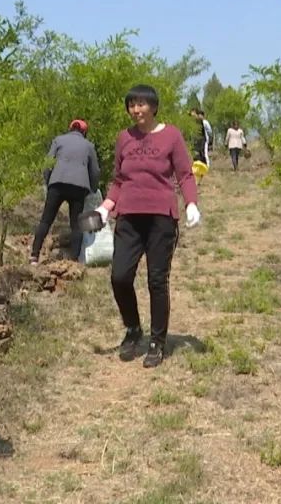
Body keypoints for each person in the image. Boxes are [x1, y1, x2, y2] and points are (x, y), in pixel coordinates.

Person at [95, 85, 200, 368]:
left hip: (161, 218)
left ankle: (157, 340)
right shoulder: (124, 138)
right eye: (132, 105)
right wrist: (106, 207)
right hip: (128, 217)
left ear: (154, 106)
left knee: (157, 280)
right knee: (120, 276)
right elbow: (118, 180)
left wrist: (191, 203)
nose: (136, 110)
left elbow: (185, 174)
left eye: (141, 104)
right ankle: (132, 329)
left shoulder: (171, 135)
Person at [30, 119, 101, 265]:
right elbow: (95, 171)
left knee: (46, 220)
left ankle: (34, 255)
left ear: (70, 129)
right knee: (76, 224)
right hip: (79, 187)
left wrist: (48, 182)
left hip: (57, 184)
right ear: (84, 132)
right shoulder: (89, 146)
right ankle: (74, 261)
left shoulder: (58, 140)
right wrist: (93, 189)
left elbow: (48, 163)